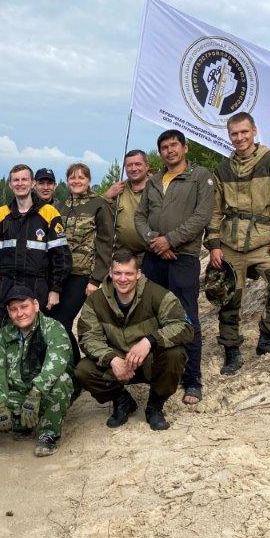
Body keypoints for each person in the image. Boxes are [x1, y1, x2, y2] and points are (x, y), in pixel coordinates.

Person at [205, 113, 270, 376]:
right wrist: (214, 244)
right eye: (234, 134)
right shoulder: (222, 170)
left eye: (244, 132)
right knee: (228, 295)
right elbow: (213, 211)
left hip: (264, 242)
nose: (240, 138)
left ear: (254, 131)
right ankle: (231, 350)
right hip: (230, 243)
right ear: (229, 136)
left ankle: (267, 339)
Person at [134, 129, 213, 405]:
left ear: (185, 147)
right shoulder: (154, 181)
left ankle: (192, 379)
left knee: (186, 316)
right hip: (154, 258)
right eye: (164, 147)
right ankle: (164, 371)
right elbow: (140, 216)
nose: (169, 150)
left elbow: (202, 216)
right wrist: (154, 240)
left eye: (174, 145)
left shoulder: (200, 176)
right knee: (154, 315)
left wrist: (171, 240)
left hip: (184, 257)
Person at [76, 250, 193, 430]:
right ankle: (122, 401)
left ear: (138, 274)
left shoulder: (157, 294)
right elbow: (87, 337)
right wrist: (112, 359)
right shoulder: (95, 301)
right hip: (118, 363)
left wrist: (149, 341)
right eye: (118, 273)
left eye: (129, 273)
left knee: (175, 354)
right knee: (84, 370)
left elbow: (185, 327)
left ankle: (155, 405)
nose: (123, 279)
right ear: (110, 273)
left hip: (149, 360)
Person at [0, 286, 75, 456]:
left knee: (62, 380)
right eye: (14, 309)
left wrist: (36, 393)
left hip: (44, 393)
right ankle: (23, 424)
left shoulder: (52, 328)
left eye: (24, 307)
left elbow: (56, 363)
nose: (19, 313)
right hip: (17, 393)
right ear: (8, 312)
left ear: (36, 305)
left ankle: (48, 433)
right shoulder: (5, 333)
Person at [0, 164, 70, 333]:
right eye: (16, 180)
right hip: (5, 285)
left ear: (33, 183)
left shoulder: (49, 213)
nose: (20, 183)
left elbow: (61, 256)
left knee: (36, 336)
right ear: (10, 184)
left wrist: (55, 289)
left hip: (37, 286)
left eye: (24, 179)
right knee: (2, 334)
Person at [50, 162, 114, 339]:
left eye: (81, 177)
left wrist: (96, 279)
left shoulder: (99, 205)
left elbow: (106, 243)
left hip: (82, 275)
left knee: (62, 321)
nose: (76, 181)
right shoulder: (60, 207)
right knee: (52, 321)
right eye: (72, 177)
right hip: (59, 275)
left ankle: (72, 357)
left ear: (89, 180)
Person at [103, 149, 150, 264]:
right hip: (122, 255)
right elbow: (97, 213)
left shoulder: (158, 188)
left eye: (138, 164)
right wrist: (107, 196)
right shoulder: (118, 189)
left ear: (147, 166)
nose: (133, 168)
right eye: (129, 165)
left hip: (150, 255)